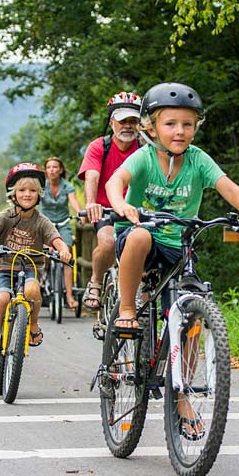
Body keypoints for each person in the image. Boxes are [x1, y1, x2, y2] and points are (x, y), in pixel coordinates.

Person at [106, 83, 239, 436]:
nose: (180, 131)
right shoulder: (144, 158)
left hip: (179, 246)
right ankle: (128, 308)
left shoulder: (198, 160)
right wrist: (120, 203)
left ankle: (181, 396)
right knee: (141, 235)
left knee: (192, 316)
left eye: (188, 124)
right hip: (140, 239)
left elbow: (227, 186)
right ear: (151, 127)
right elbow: (117, 180)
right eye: (171, 123)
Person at [0, 163, 71, 369]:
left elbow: (56, 240)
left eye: (33, 190)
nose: (27, 194)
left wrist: (63, 250)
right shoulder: (6, 216)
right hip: (4, 266)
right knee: (2, 299)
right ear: (13, 194)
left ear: (39, 194)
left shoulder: (42, 221)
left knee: (33, 289)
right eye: (22, 190)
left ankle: (33, 324)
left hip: (30, 266)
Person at [77, 91, 142, 311]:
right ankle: (95, 281)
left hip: (138, 211)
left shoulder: (146, 150)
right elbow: (92, 175)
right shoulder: (99, 147)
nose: (128, 126)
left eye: (133, 121)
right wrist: (91, 202)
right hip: (106, 209)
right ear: (112, 122)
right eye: (123, 120)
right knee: (107, 242)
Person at [40, 156, 82, 309]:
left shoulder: (67, 186)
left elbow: (73, 201)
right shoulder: (41, 186)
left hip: (63, 224)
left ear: (61, 170)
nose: (52, 170)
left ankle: (69, 296)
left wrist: (80, 213)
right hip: (45, 225)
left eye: (55, 167)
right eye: (49, 167)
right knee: (45, 252)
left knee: (67, 256)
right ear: (46, 170)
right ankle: (41, 281)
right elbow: (34, 200)